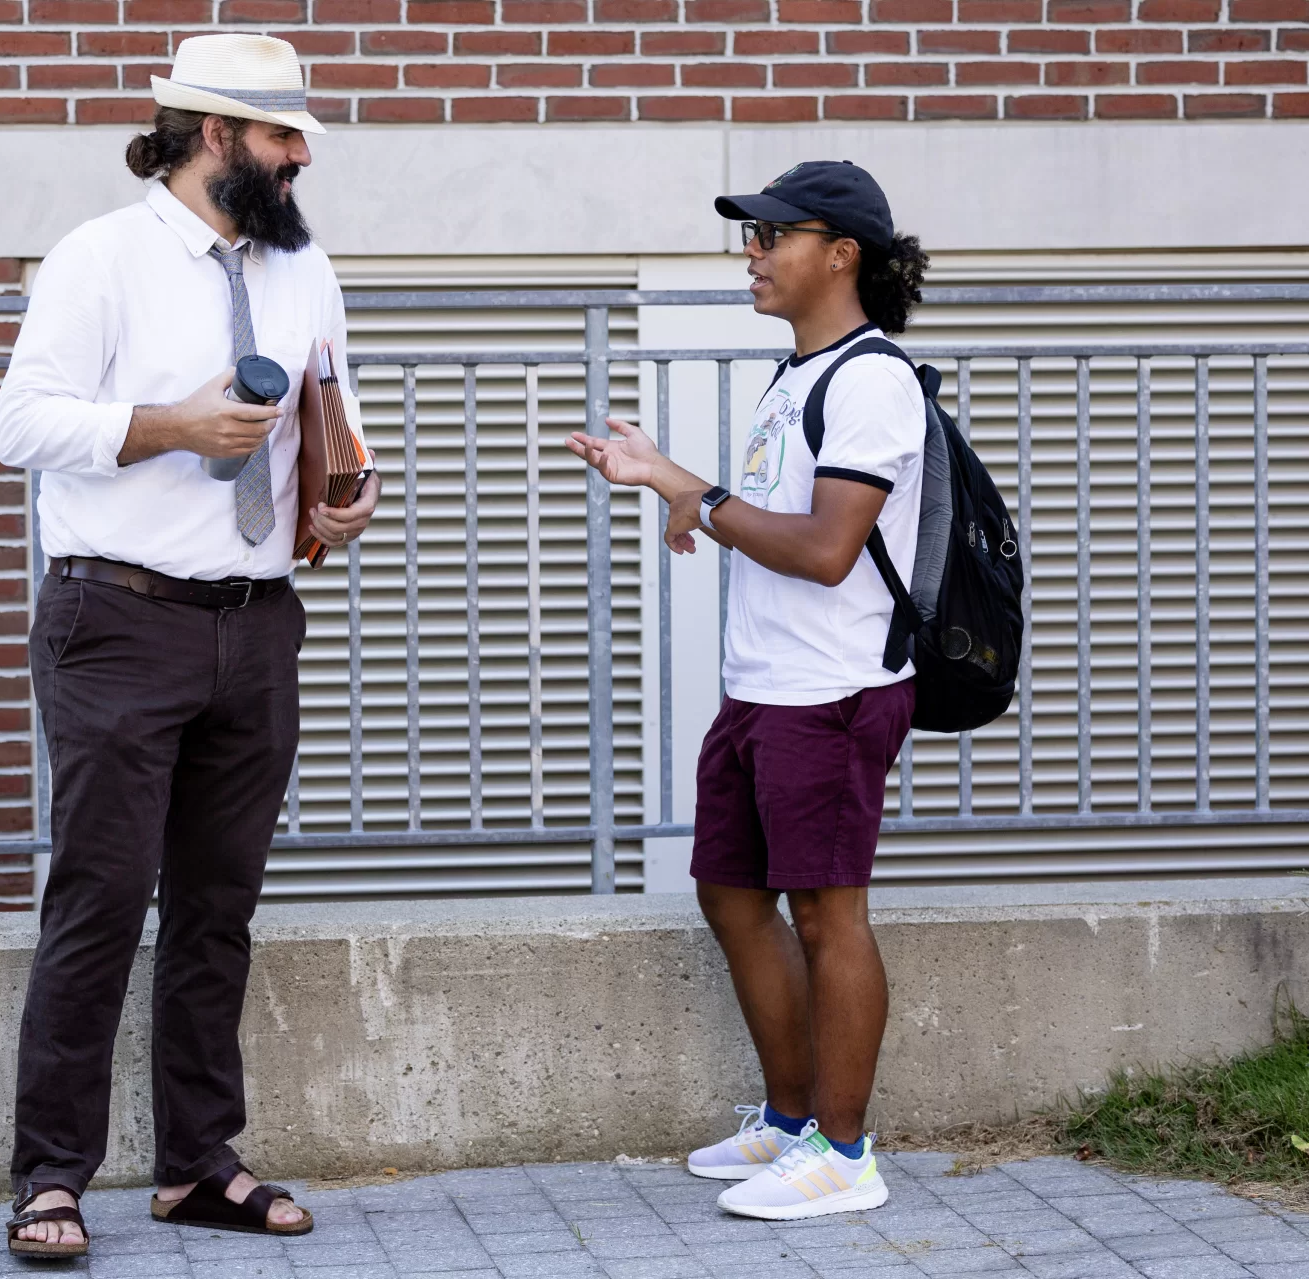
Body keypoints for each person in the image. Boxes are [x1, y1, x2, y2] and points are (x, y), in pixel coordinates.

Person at [0, 33, 379, 1257]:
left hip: (256, 624)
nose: (301, 153)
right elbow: (21, 423)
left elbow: (334, 405)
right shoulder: (99, 257)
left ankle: (197, 1166)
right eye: (280, 136)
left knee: (217, 909)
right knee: (99, 903)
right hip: (117, 620)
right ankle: (49, 1177)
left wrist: (349, 489)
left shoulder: (303, 267)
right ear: (213, 136)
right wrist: (170, 426)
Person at [567, 161, 929, 1222]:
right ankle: (788, 1121)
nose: (753, 253)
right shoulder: (800, 374)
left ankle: (846, 1153)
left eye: (774, 235)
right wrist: (683, 492)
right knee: (729, 890)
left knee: (826, 911)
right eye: (751, 235)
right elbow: (763, 511)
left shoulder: (869, 378)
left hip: (830, 689)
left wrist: (691, 490)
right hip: (763, 686)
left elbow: (824, 549)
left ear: (840, 253)